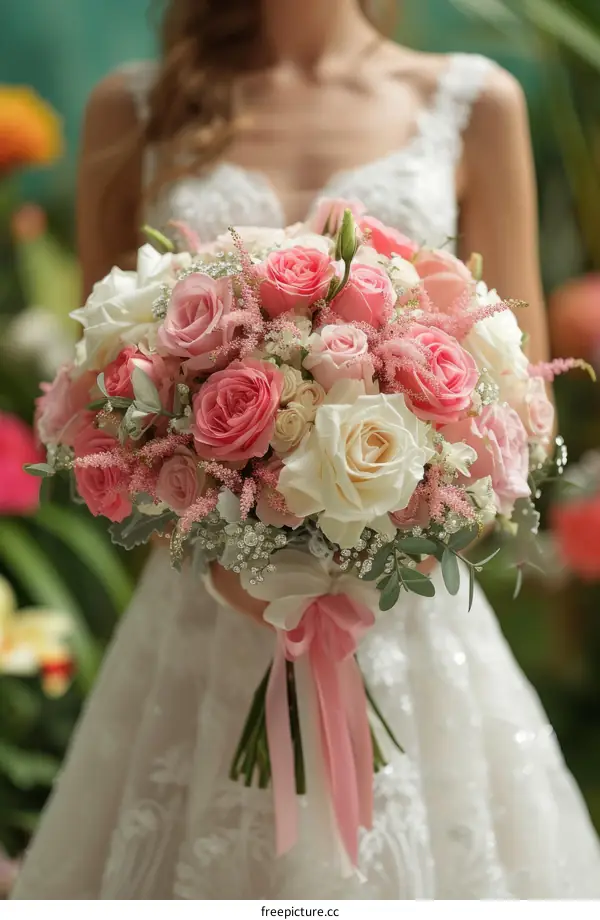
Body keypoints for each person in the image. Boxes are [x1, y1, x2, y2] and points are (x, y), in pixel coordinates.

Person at [12, 0, 600, 900]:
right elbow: (101, 389)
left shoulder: (478, 102)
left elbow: (526, 404)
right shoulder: (130, 108)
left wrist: (391, 505)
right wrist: (226, 546)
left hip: (404, 630)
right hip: (206, 615)